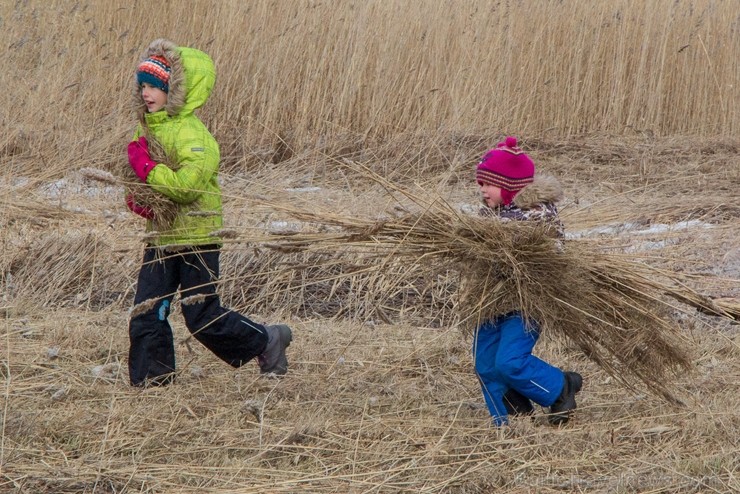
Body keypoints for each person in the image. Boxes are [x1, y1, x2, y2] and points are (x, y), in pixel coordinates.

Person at [124, 39, 292, 387]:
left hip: (198, 237)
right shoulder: (148, 128)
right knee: (146, 310)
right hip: (162, 235)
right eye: (143, 84)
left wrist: (147, 169)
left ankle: (267, 340)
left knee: (200, 314)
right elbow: (147, 180)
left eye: (156, 85)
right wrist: (140, 199)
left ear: (178, 90)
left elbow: (185, 186)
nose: (147, 93)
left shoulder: (195, 136)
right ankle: (152, 384)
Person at [473, 136, 582, 426]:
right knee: (485, 364)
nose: (482, 190)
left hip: (527, 300)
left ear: (509, 186)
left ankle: (560, 387)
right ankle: (510, 418)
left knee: (509, 361)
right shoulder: (487, 215)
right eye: (480, 184)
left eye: (488, 183)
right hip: (491, 299)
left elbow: (554, 251)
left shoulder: (538, 215)